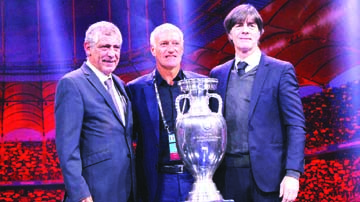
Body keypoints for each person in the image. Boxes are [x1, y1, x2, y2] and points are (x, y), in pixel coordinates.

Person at [210, 4, 306, 202]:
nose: (245, 29)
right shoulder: (217, 74)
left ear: (260, 32)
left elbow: (295, 125)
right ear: (229, 34)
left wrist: (293, 173)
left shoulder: (281, 71)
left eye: (251, 25)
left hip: (269, 179)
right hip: (227, 177)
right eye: (238, 25)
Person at [55, 21, 136, 202]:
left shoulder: (120, 84)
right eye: (105, 47)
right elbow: (67, 148)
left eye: (116, 47)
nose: (112, 54)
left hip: (126, 189)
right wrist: (80, 194)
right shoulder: (72, 83)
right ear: (88, 48)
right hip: (94, 192)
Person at [126, 23, 205, 202]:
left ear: (182, 49)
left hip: (195, 178)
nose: (171, 49)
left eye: (175, 44)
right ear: (153, 49)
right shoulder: (136, 89)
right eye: (164, 44)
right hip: (158, 181)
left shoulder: (201, 84)